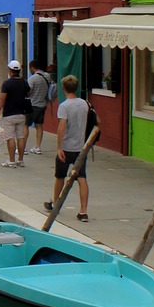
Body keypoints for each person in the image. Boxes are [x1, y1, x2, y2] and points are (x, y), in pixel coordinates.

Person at [46, 75, 91, 222]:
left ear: (63, 88)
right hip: (80, 148)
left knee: (60, 176)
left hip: (66, 147)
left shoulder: (64, 106)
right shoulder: (85, 104)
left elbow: (61, 127)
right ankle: (83, 211)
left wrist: (59, 147)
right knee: (82, 177)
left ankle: (56, 204)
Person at [0, 59, 30, 167]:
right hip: (21, 113)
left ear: (10, 71)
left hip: (9, 114)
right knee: (21, 136)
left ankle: (11, 160)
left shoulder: (7, 84)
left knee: (9, 137)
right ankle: (21, 160)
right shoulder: (24, 82)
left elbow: (2, 99)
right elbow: (28, 94)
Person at [25, 59, 52, 154]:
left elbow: (28, 91)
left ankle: (23, 147)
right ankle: (38, 147)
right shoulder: (48, 76)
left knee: (25, 125)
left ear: (32, 68)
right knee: (39, 125)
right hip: (42, 104)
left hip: (32, 104)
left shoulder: (32, 79)